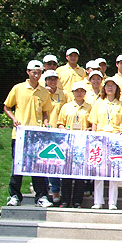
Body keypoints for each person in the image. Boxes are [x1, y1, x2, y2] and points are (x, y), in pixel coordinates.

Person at [4, 60, 53, 207]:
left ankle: (41, 197)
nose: (36, 75)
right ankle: (14, 196)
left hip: (37, 135)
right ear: (28, 72)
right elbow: (7, 106)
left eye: (39, 72)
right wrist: (13, 118)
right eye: (34, 72)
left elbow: (45, 111)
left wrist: (45, 122)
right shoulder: (18, 88)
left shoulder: (44, 91)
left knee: (38, 167)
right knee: (17, 167)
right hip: (19, 134)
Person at [88, 77, 122, 209]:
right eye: (107, 85)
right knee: (99, 172)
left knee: (113, 172)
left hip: (115, 139)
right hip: (100, 138)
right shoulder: (98, 103)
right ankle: (98, 201)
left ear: (116, 88)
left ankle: (112, 202)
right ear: (104, 88)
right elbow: (94, 122)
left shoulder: (121, 104)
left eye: (113, 86)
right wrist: (94, 138)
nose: (110, 88)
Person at [57, 81, 92, 208]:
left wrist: (88, 129)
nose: (79, 93)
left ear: (85, 93)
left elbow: (92, 124)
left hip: (83, 144)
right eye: (77, 91)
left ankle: (77, 201)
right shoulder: (66, 107)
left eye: (82, 91)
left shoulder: (89, 107)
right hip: (68, 144)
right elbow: (60, 123)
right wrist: (63, 128)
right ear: (72, 92)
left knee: (79, 174)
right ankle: (65, 200)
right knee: (66, 173)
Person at [43, 69, 67, 204]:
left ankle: (57, 190)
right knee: (47, 163)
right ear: (46, 80)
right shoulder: (42, 93)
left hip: (61, 133)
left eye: (54, 79)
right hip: (45, 132)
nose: (52, 82)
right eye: (50, 79)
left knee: (58, 162)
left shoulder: (64, 94)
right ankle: (47, 192)